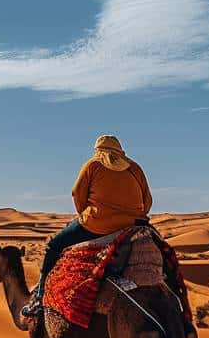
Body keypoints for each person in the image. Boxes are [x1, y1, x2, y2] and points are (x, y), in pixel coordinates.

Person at [24, 134, 152, 317]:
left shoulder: (93, 165)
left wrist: (86, 215)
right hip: (132, 227)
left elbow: (77, 194)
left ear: (98, 151)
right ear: (121, 151)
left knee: (53, 246)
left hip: (96, 225)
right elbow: (148, 201)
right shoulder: (135, 168)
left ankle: (39, 297)